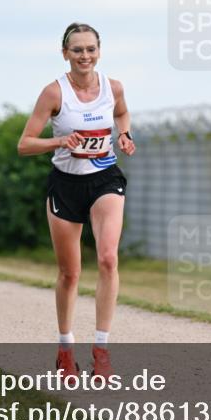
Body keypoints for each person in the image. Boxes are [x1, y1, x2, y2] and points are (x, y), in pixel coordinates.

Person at [17, 23, 136, 380]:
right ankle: (65, 350)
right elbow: (24, 144)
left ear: (99, 51)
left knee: (108, 259)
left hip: (104, 178)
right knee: (70, 274)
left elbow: (121, 113)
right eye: (77, 49)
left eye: (90, 49)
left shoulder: (113, 87)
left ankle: (102, 351)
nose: (85, 56)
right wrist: (59, 141)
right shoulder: (54, 93)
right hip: (66, 184)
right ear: (65, 53)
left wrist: (125, 134)